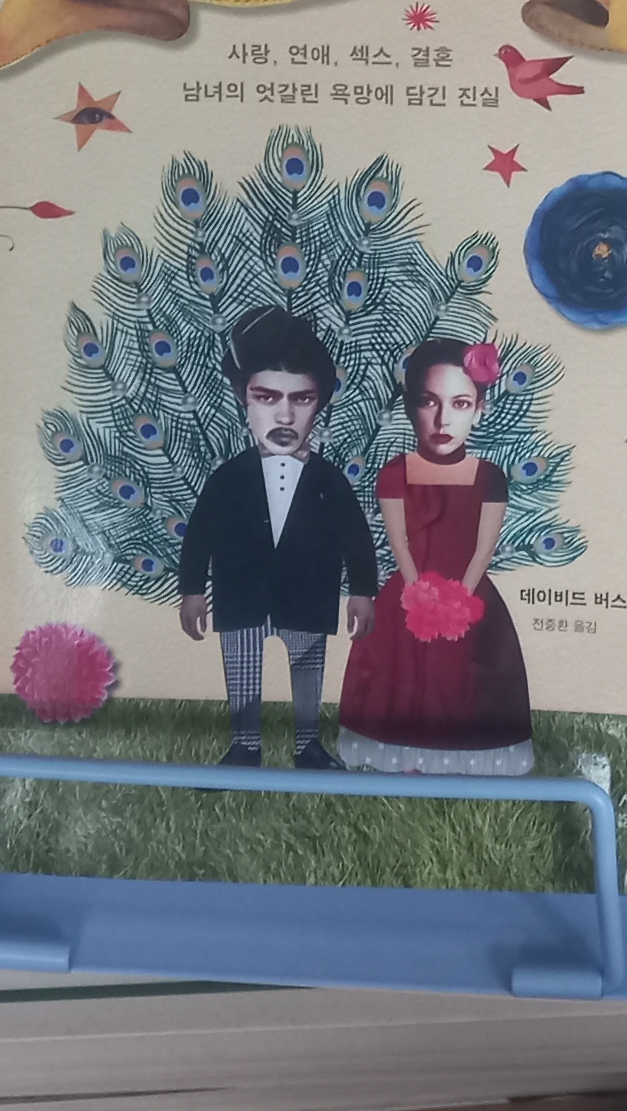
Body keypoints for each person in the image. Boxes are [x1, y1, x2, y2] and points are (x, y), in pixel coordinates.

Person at [172, 308, 374, 768]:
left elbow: (355, 536)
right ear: (243, 399)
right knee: (242, 674)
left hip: (307, 598)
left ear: (319, 404)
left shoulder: (330, 480)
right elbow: (199, 534)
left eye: (302, 399)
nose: (284, 414)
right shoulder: (227, 478)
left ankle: (308, 746)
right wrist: (192, 590)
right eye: (266, 397)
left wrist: (363, 592)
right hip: (241, 597)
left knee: (307, 675)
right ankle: (245, 746)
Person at [332, 339, 534, 777]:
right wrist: (418, 592)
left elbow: (484, 548)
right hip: (409, 594)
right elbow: (400, 542)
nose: (443, 419)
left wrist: (460, 598)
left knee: (464, 678)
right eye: (429, 402)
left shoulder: (490, 477)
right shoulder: (393, 472)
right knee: (402, 679)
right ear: (411, 408)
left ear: (479, 409)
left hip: (471, 596)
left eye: (460, 403)